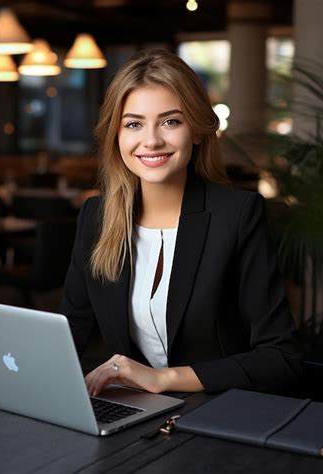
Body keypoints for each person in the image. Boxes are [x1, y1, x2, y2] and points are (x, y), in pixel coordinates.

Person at [60, 50, 301, 397]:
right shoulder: (96, 217)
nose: (152, 140)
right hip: (134, 415)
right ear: (116, 135)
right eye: (133, 124)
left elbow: (281, 359)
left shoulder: (237, 215)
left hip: (216, 417)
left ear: (198, 131)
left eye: (171, 121)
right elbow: (69, 335)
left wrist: (163, 379)